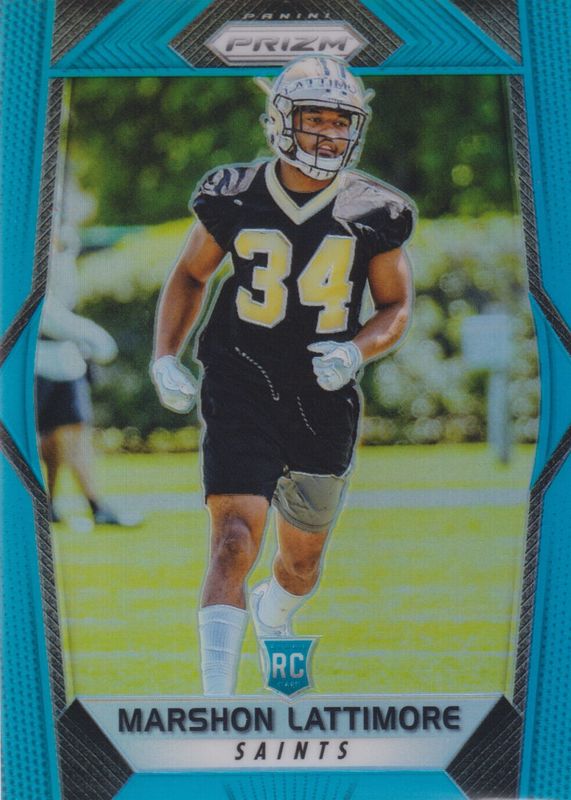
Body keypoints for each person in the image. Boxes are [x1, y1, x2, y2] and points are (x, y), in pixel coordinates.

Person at [151, 56, 415, 696]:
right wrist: (165, 354)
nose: (328, 135)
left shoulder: (375, 209)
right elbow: (191, 273)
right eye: (314, 119)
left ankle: (275, 611)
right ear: (280, 120)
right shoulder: (234, 194)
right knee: (233, 539)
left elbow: (396, 305)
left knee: (301, 565)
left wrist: (354, 353)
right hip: (240, 375)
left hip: (321, 394)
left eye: (339, 122)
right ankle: (216, 705)